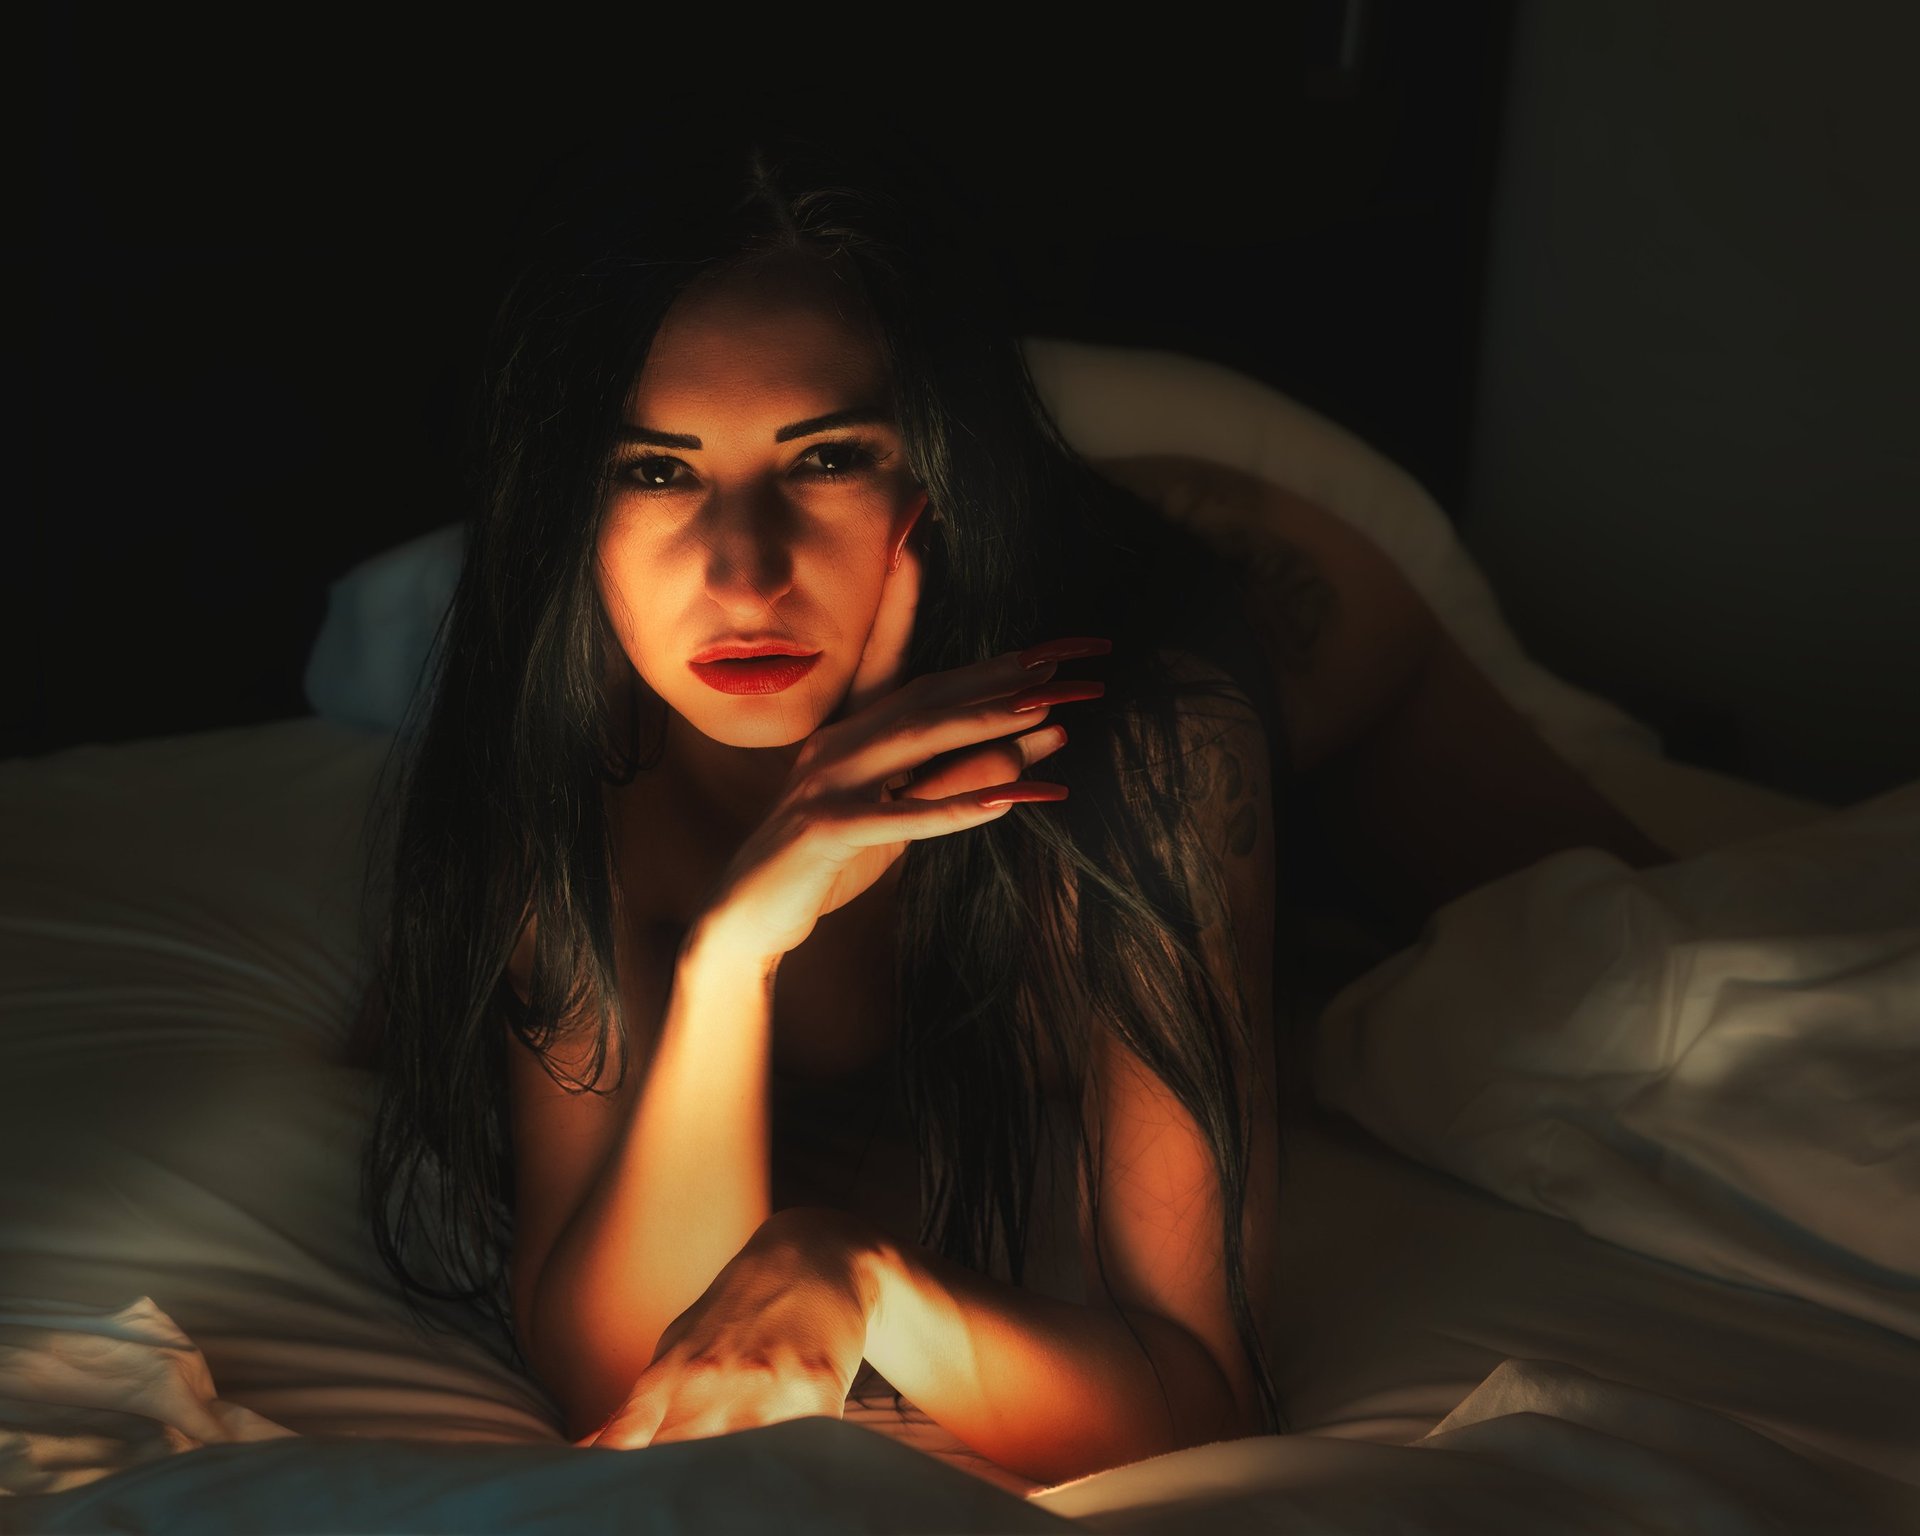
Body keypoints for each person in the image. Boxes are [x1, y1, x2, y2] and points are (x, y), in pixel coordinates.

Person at [350, 129, 1664, 1492]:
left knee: (1626, 910)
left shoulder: (1154, 747)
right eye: (658, 470)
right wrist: (736, 953)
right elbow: (614, 1370)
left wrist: (854, 1273)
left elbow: (1203, 1393)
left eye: (827, 458)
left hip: (1261, 621)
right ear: (573, 506)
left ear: (934, 479)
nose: (743, 576)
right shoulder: (573, 763)